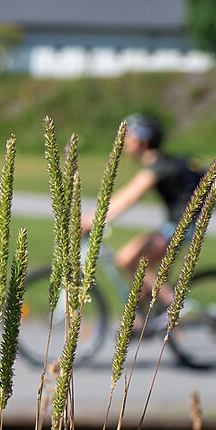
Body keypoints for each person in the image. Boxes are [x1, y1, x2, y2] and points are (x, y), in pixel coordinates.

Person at [81, 114, 205, 307]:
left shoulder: (158, 166)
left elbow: (130, 196)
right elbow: (125, 195)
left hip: (180, 228)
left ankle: (177, 309)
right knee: (138, 271)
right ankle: (139, 318)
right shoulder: (160, 162)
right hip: (179, 225)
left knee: (129, 260)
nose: (124, 142)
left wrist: (94, 219)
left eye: (129, 136)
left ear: (143, 140)